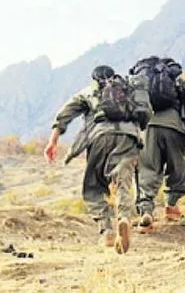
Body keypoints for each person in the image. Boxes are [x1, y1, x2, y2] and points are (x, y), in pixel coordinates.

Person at [44, 65, 151, 254]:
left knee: (93, 187)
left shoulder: (90, 91)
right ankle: (124, 217)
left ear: (94, 79)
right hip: (129, 137)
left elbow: (65, 115)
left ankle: (107, 230)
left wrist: (53, 141)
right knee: (122, 181)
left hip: (100, 137)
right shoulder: (128, 91)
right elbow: (146, 114)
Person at [132, 56, 185, 230]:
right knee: (176, 166)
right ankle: (172, 206)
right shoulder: (176, 78)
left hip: (148, 128)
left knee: (148, 168)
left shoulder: (144, 80)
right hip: (174, 126)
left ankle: (146, 210)